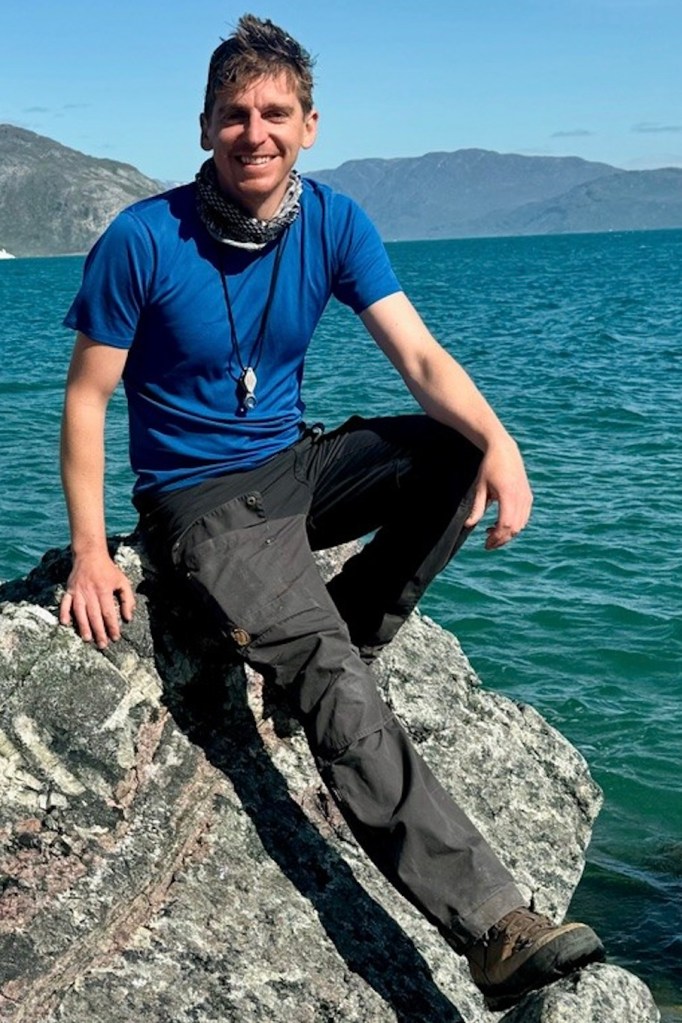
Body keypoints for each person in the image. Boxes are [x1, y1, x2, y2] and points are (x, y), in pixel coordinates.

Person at [58, 13, 604, 1011]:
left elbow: (422, 360)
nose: (253, 132)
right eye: (233, 114)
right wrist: (94, 553)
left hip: (294, 466)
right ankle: (491, 927)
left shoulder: (336, 223)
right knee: (332, 687)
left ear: (310, 125)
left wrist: (504, 445)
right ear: (203, 127)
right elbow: (87, 400)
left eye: (274, 113)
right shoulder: (143, 238)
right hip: (200, 512)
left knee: (451, 448)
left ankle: (352, 630)